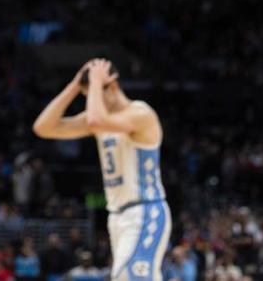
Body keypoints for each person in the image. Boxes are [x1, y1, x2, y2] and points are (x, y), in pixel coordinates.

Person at [33, 58, 171, 281]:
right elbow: (43, 127)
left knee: (129, 276)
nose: (92, 101)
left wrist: (96, 81)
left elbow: (97, 120)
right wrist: (75, 85)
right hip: (117, 216)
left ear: (113, 85)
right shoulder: (100, 119)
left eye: (95, 94)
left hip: (145, 211)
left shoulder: (141, 114)